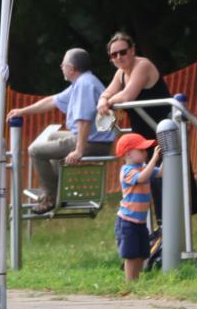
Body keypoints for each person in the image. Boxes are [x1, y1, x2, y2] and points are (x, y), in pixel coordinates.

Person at [96, 31, 197, 220]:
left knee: (171, 176)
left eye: (122, 52)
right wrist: (103, 100)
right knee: (150, 180)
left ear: (132, 50)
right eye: (114, 55)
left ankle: (177, 230)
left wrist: (108, 101)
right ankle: (162, 229)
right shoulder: (121, 73)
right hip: (144, 137)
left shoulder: (142, 65)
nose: (119, 57)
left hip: (165, 131)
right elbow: (108, 92)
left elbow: (128, 95)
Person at [6, 48, 115, 213]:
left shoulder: (84, 85)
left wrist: (79, 150)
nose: (61, 67)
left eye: (63, 64)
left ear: (71, 68)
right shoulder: (82, 82)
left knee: (35, 151)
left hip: (93, 142)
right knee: (53, 136)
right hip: (94, 138)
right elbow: (52, 101)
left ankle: (51, 195)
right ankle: (58, 189)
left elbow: (84, 119)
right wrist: (22, 111)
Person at [114, 133, 162, 280]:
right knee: (130, 254)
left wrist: (168, 154)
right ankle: (130, 283)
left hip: (140, 222)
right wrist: (154, 159)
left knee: (142, 253)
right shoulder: (127, 170)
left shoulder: (143, 167)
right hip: (127, 221)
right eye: (141, 150)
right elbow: (141, 178)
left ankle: (136, 280)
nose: (145, 152)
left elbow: (160, 173)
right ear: (128, 153)